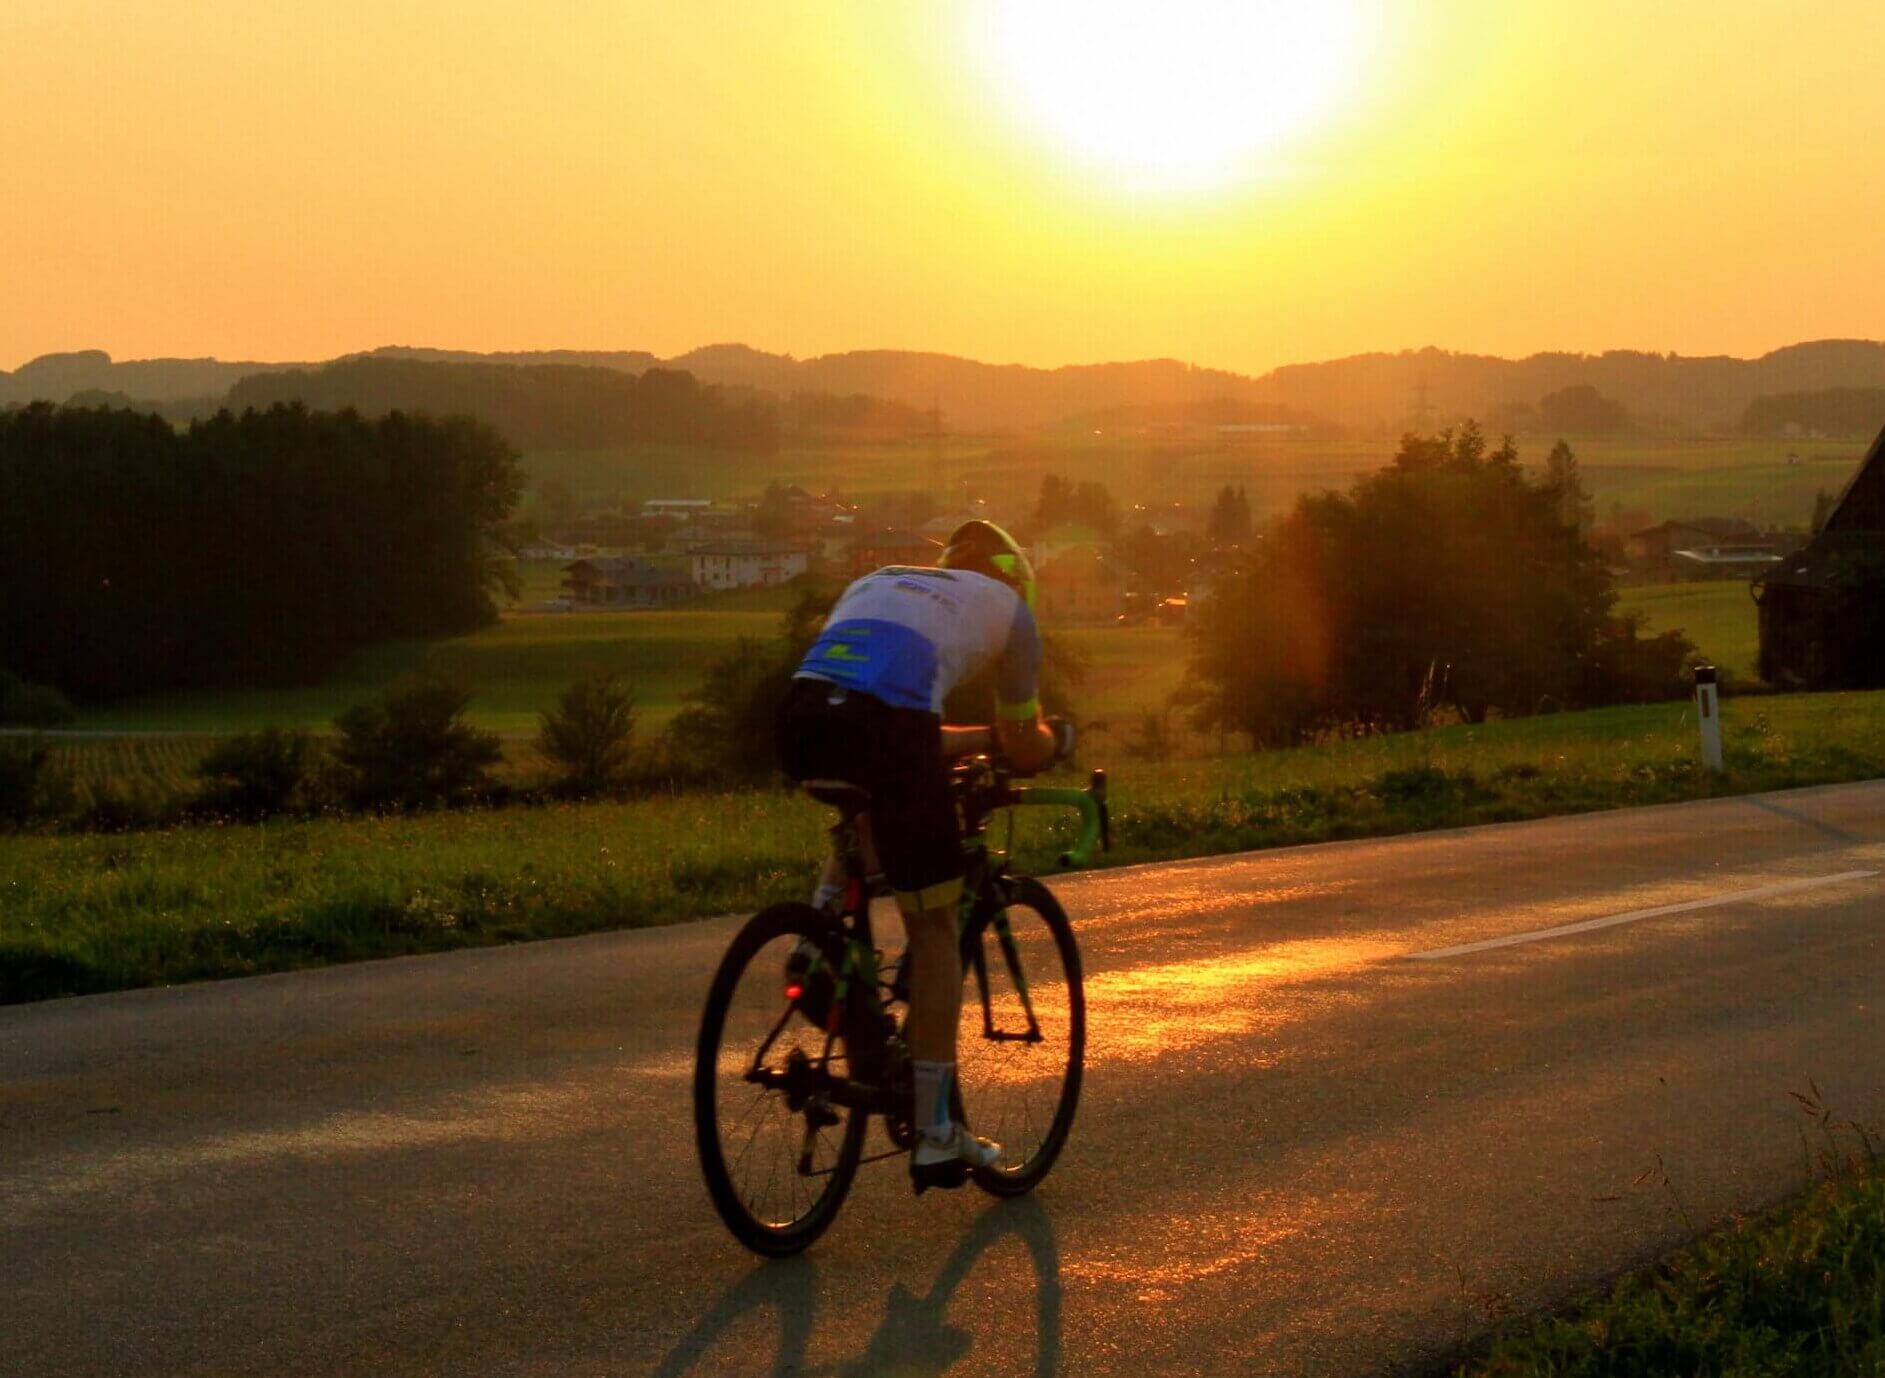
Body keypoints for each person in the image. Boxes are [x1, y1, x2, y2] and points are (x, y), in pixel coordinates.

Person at [776, 519, 1060, 1193]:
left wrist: (974, 738)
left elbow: (899, 718)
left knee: (865, 810)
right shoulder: (1011, 612)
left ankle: (817, 948)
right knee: (934, 929)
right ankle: (935, 1134)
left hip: (802, 717)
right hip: (888, 730)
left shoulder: (878, 580)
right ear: (1014, 578)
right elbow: (1021, 745)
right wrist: (1053, 742)